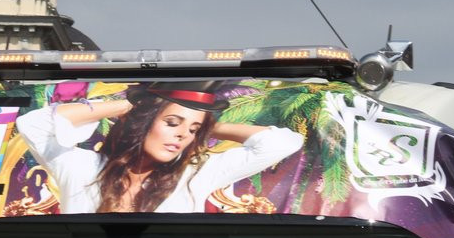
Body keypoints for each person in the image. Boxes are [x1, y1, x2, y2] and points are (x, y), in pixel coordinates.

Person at [16, 81, 303, 213]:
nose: (181, 135)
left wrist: (206, 127)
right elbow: (34, 124)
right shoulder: (82, 168)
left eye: (191, 130)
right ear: (145, 122)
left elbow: (282, 142)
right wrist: (130, 104)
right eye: (172, 122)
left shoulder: (196, 175)